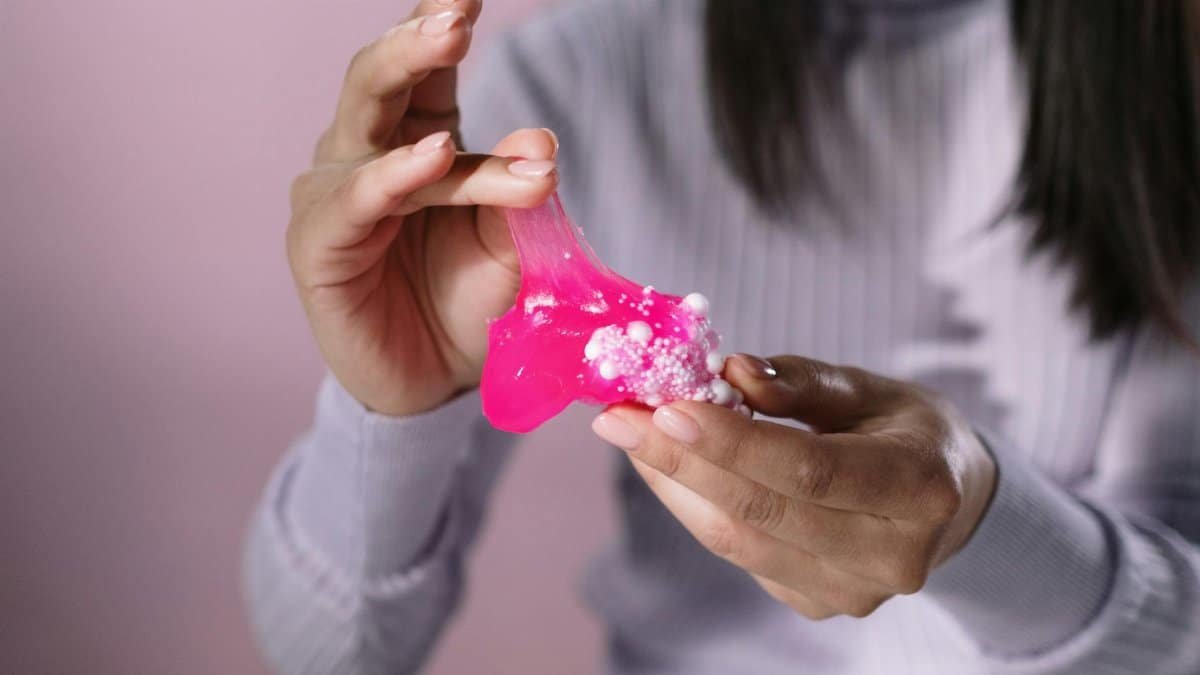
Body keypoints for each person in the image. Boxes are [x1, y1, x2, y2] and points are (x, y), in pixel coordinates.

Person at [244, 0, 1200, 672]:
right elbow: (329, 652)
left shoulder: (1171, 88)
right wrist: (397, 409)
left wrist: (983, 533)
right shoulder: (582, 83)